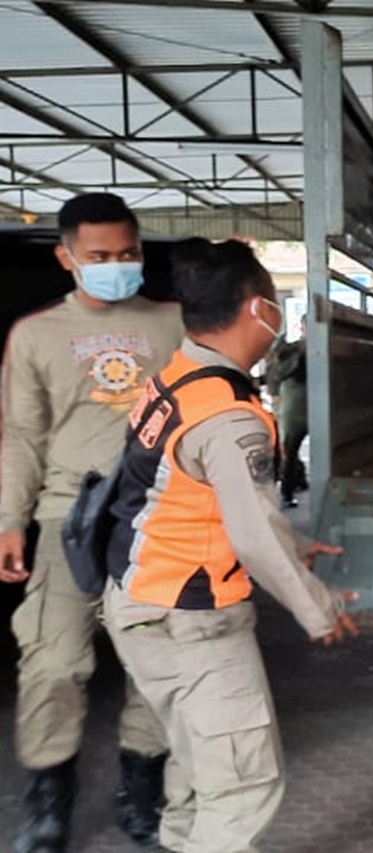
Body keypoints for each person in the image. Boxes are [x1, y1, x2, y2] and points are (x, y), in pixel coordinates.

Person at [100, 237, 357, 853]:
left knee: (197, 772)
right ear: (257, 308)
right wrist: (318, 609)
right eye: (272, 299)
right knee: (243, 786)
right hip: (190, 623)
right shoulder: (230, 414)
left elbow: (196, 498)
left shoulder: (179, 376)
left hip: (141, 603)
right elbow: (249, 532)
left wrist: (291, 543)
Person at [1, 193, 183, 852]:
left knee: (156, 658)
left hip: (159, 517)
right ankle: (49, 800)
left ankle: (143, 787)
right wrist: (9, 520)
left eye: (128, 253)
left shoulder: (175, 323)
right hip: (66, 516)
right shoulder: (36, 333)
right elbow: (21, 434)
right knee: (52, 662)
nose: (116, 265)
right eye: (99, 256)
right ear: (66, 256)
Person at [264, 329, 308, 507]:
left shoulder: (292, 348)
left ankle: (292, 487)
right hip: (296, 406)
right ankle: (287, 491)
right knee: (289, 451)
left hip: (295, 406)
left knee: (290, 450)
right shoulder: (292, 349)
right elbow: (276, 371)